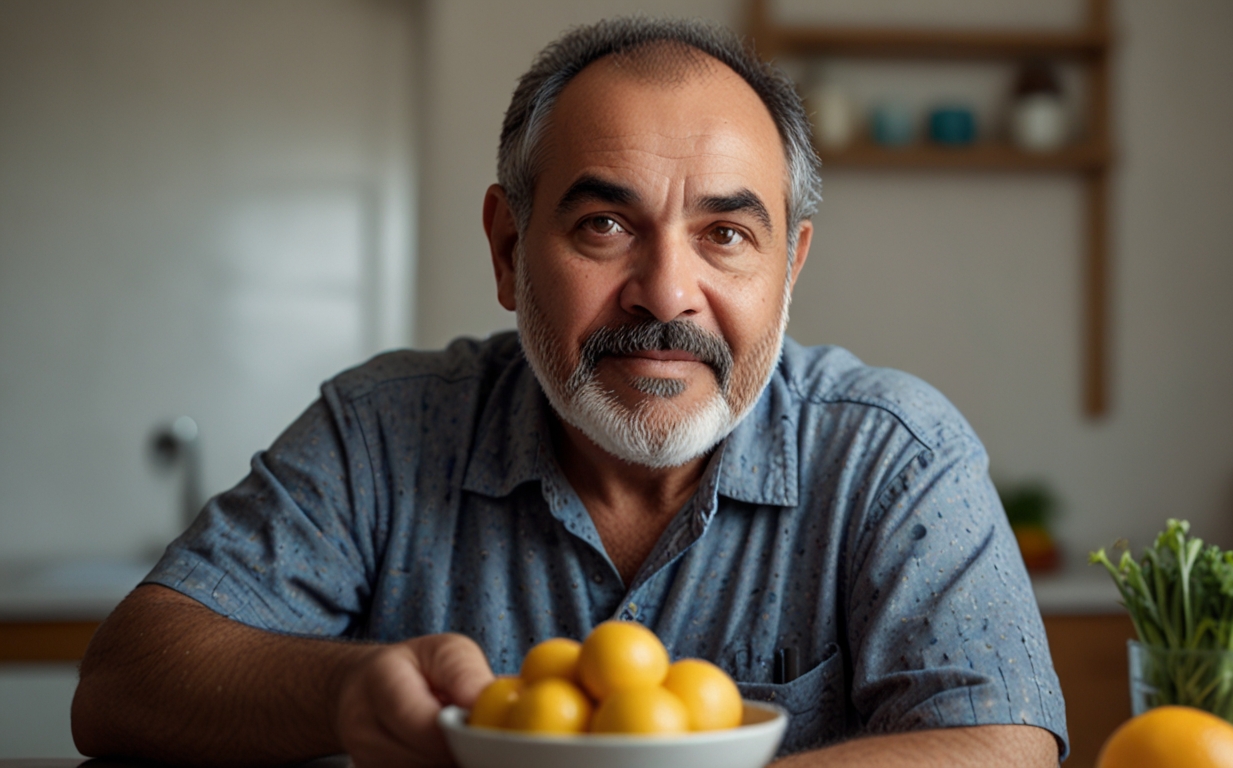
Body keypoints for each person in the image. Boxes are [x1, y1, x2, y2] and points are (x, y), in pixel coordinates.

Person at [72, 17, 1067, 768]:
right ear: (509, 250)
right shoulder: (382, 431)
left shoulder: (895, 453)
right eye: (604, 226)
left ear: (789, 269)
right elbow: (124, 681)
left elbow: (1001, 743)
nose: (669, 291)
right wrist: (343, 692)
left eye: (726, 235)